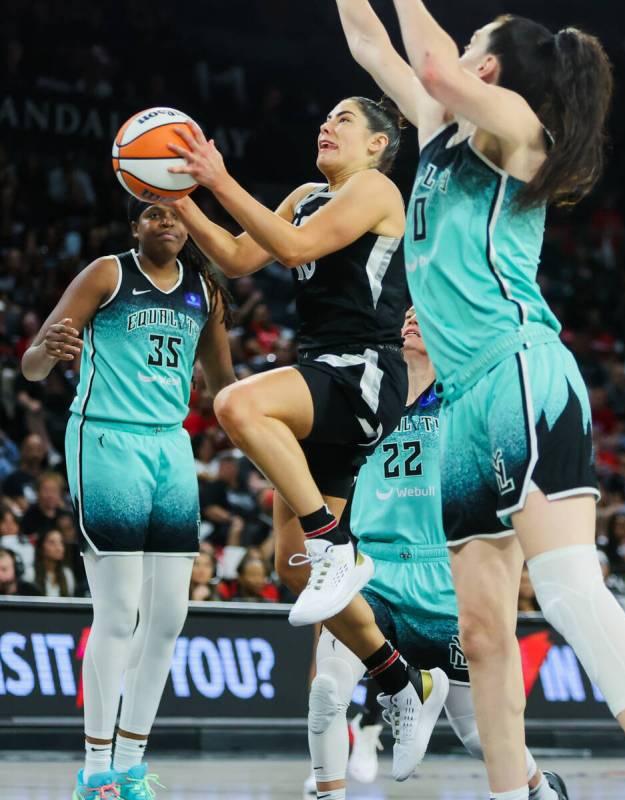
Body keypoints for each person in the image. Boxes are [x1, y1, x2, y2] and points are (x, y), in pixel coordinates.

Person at [334, 2, 625, 799]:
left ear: (492, 67)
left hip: (519, 374)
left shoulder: (519, 127)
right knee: (479, 634)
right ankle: (515, 794)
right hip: (465, 401)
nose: (459, 48)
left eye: (475, 41)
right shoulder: (441, 135)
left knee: (570, 583)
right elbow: (371, 43)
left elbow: (433, 66)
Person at [168, 95, 449, 778]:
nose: (326, 124)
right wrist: (176, 201)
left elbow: (292, 249)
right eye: (322, 116)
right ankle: (401, 680)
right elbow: (238, 257)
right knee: (296, 568)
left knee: (237, 404)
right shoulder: (301, 195)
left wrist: (213, 176)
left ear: (378, 145)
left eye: (343, 119)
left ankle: (336, 547)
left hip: (365, 370)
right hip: (325, 376)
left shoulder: (376, 189)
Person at [21, 198, 236, 800]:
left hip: (172, 448)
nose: (165, 222)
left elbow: (225, 389)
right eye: (152, 214)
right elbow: (33, 365)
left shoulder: (206, 293)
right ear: (135, 227)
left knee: (169, 617)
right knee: (118, 614)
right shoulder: (107, 274)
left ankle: (131, 766)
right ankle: (94, 773)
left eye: (175, 214)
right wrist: (48, 351)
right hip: (107, 439)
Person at [307, 308, 568, 800]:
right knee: (327, 691)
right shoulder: (367, 388)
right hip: (372, 571)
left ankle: (540, 787)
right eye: (405, 315)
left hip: (442, 574)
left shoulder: (464, 395)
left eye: (422, 316)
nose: (409, 320)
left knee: (478, 737)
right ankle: (329, 793)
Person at [31, 527, 75, 597]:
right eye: (52, 542)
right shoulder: (31, 573)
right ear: (41, 547)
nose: (59, 548)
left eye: (61, 542)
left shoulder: (67, 574)